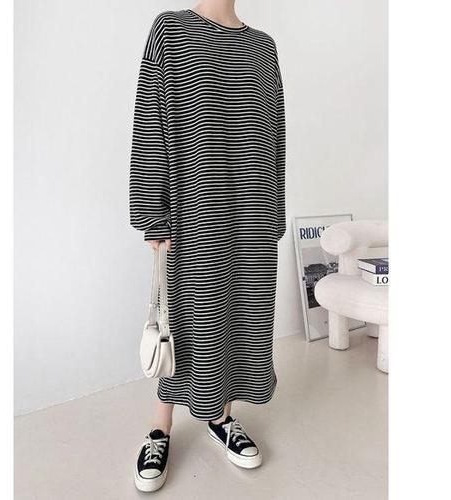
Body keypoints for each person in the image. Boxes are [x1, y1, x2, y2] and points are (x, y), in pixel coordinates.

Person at [129, 0, 286, 492]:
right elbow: (150, 127)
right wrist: (153, 216)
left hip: (253, 212)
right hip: (195, 212)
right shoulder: (170, 30)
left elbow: (276, 137)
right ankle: (161, 427)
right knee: (187, 320)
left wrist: (275, 211)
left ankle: (222, 416)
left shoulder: (263, 47)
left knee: (242, 315)